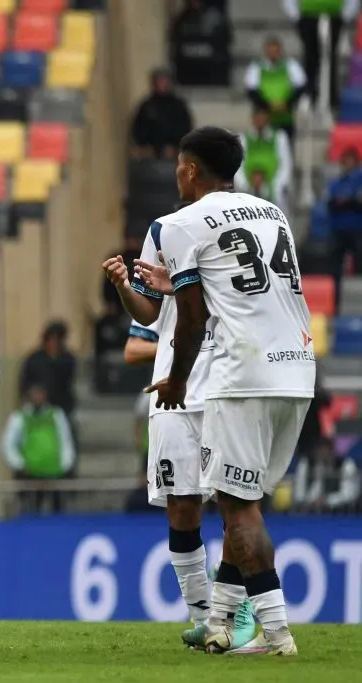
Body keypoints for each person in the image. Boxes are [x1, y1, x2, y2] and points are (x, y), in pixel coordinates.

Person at [135, 126, 313, 655]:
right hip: (297, 368)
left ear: (189, 170)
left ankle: (277, 634)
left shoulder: (179, 224)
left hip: (243, 373)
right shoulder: (271, 212)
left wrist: (179, 379)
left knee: (237, 506)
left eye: (178, 167)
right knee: (248, 498)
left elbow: (189, 321)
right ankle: (218, 620)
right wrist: (182, 287)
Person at [115, 276, 256, 651]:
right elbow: (134, 345)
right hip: (175, 400)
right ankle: (203, 619)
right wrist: (124, 288)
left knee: (236, 506)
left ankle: (233, 607)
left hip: (225, 392)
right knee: (180, 508)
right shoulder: (162, 250)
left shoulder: (231, 253)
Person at [0, 385, 74, 515]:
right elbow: (7, 444)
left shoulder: (56, 414)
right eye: (34, 394)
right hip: (30, 475)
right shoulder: (19, 417)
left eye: (40, 393)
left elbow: (65, 439)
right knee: (32, 513)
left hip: (54, 473)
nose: (37, 397)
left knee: (58, 513)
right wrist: (19, 465)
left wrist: (65, 464)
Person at [243, 36, 307, 141]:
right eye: (271, 50)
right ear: (266, 51)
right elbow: (252, 91)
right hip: (264, 117)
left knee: (286, 144)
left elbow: (300, 88)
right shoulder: (256, 67)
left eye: (276, 50)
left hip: (286, 115)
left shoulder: (291, 66)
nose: (273, 53)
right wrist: (268, 106)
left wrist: (286, 104)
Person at [234, 108, 293, 213]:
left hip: (273, 186)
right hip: (249, 186)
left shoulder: (279, 137)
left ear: (268, 120)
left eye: (263, 118)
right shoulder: (243, 139)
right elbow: (238, 166)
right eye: (258, 118)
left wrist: (276, 185)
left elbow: (286, 165)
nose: (260, 122)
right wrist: (245, 184)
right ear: (253, 119)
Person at [130, 68, 194, 159]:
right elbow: (138, 131)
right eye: (158, 81)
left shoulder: (178, 105)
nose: (161, 84)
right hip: (151, 156)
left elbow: (186, 129)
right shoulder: (147, 106)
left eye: (163, 80)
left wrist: (174, 147)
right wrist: (155, 149)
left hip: (175, 154)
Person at [327, 147, 362, 310]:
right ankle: (336, 305)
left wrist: (345, 202)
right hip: (338, 231)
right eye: (345, 160)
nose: (347, 164)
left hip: (357, 231)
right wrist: (350, 202)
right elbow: (331, 204)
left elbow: (357, 203)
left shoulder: (360, 179)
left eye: (351, 160)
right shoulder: (336, 182)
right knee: (335, 272)